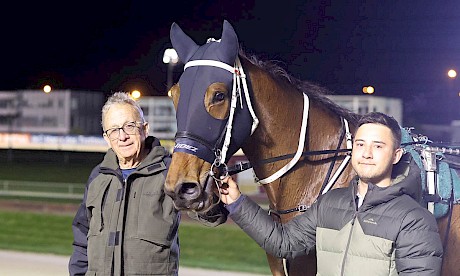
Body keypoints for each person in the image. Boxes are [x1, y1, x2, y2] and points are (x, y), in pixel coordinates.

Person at [218, 112, 443, 275]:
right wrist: (237, 202)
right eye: (360, 144)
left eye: (378, 146)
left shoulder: (415, 220)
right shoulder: (330, 203)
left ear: (396, 155)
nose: (366, 153)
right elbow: (283, 242)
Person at [69, 92, 228, 276]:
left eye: (129, 126)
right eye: (114, 130)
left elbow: (212, 216)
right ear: (107, 138)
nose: (122, 137)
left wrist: (212, 192)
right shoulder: (98, 176)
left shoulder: (169, 171)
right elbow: (82, 239)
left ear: (145, 129)